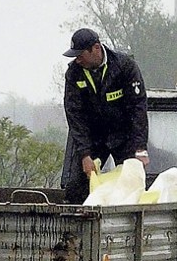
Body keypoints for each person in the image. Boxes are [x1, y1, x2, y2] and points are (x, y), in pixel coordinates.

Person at [61, 27, 149, 204]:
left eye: (80, 55)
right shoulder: (73, 74)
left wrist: (140, 147)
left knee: (132, 182)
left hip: (124, 135)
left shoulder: (125, 67)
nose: (77, 60)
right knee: (76, 186)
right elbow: (75, 116)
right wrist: (85, 154)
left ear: (96, 48)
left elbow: (138, 108)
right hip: (92, 137)